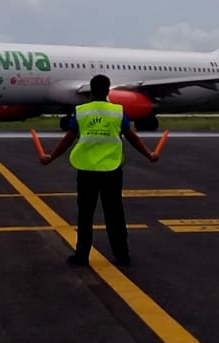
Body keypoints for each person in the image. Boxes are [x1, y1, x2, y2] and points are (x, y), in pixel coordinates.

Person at [40, 74, 159, 266]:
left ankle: (81, 255)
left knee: (85, 215)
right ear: (108, 90)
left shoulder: (81, 111)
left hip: (86, 169)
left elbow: (68, 139)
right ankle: (122, 255)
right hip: (111, 169)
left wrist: (51, 157)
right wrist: (149, 154)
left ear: (91, 91)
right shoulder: (117, 111)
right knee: (115, 214)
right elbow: (132, 137)